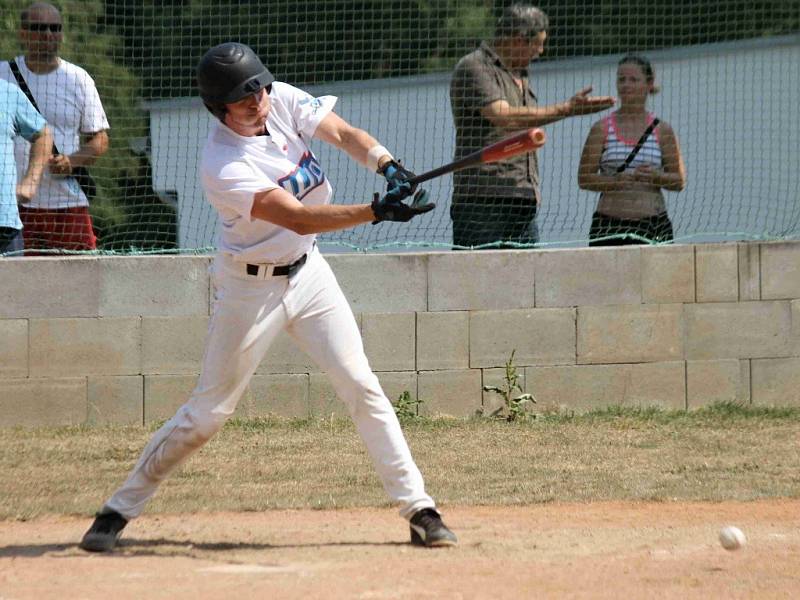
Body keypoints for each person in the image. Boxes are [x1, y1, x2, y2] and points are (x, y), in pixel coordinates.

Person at [78, 42, 457, 552]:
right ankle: (117, 510)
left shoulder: (276, 100)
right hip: (248, 289)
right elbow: (296, 215)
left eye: (258, 86)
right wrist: (375, 211)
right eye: (241, 95)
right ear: (219, 107)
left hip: (309, 273)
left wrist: (386, 164)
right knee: (207, 414)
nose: (256, 99)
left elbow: (343, 134)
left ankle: (420, 510)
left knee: (361, 385)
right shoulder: (222, 162)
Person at [449, 3, 615, 249]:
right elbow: (504, 117)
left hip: (522, 198)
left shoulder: (521, 72)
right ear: (518, 39)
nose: (541, 51)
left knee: (528, 281)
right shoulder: (475, 67)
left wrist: (532, 186)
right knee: (478, 282)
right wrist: (567, 109)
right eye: (538, 43)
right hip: (482, 201)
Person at [0, 2, 109, 254]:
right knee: (20, 283)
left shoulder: (78, 78)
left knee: (79, 278)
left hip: (67, 203)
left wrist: (72, 160)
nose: (48, 34)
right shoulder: (4, 75)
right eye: (39, 28)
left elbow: (100, 139)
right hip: (15, 206)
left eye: (55, 28)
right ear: (23, 33)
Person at [578, 55, 686, 245]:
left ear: (649, 83)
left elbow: (678, 181)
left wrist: (656, 177)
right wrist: (614, 181)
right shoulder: (601, 128)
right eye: (621, 79)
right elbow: (584, 178)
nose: (626, 85)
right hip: (609, 225)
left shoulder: (662, 130)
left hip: (653, 224)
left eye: (633, 80)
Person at [0, 78, 52, 255]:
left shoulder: (7, 92)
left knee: (12, 284)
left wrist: (30, 181)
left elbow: (43, 134)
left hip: (5, 225)